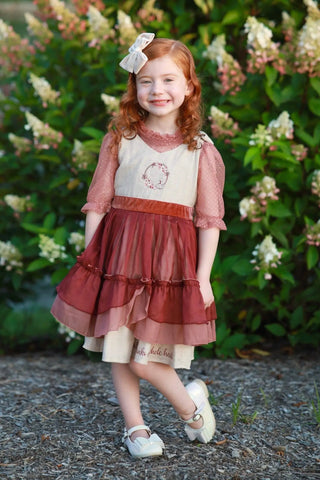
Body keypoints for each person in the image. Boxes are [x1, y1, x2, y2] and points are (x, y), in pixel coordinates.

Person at [51, 32, 226, 459]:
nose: (158, 90)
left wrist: (202, 278)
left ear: (189, 88)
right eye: (146, 81)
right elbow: (98, 204)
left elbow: (209, 221)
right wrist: (93, 263)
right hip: (118, 262)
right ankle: (136, 429)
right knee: (118, 348)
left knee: (145, 359)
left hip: (169, 269)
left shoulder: (199, 150)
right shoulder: (120, 139)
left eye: (169, 80)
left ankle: (191, 410)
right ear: (135, 88)